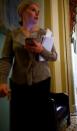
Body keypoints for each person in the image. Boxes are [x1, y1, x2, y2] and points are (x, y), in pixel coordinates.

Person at [0, 1, 57, 131]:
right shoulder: (12, 34)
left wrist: (41, 50)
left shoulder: (45, 33)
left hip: (42, 83)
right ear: (22, 12)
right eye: (33, 10)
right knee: (21, 122)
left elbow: (54, 56)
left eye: (38, 12)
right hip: (19, 86)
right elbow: (6, 59)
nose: (37, 14)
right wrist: (2, 81)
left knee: (41, 122)